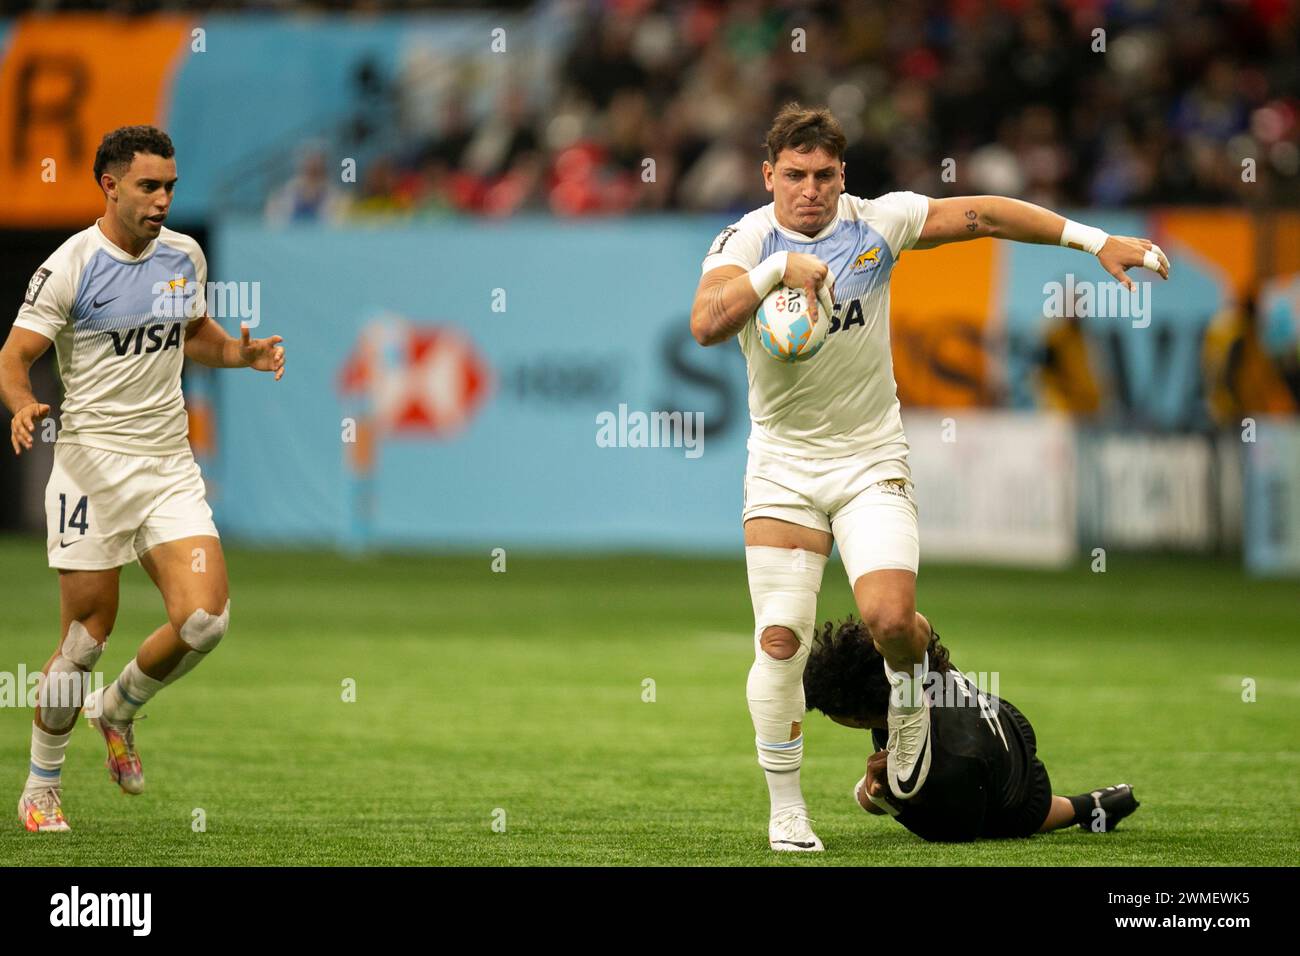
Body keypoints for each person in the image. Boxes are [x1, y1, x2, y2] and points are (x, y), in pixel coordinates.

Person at [689, 102, 1167, 851]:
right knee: (781, 639)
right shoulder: (747, 238)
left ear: (842, 175)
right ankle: (787, 810)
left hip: (871, 457)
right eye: (793, 176)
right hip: (782, 467)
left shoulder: (880, 222)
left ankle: (908, 708)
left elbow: (980, 215)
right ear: (768, 176)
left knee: (890, 620)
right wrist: (778, 271)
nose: (808, 190)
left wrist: (1094, 238)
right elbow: (707, 320)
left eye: (822, 175)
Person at [0, 125, 286, 832]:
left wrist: (239, 355)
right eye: (148, 187)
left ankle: (119, 707)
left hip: (166, 467)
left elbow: (193, 336)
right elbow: (15, 355)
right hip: (91, 471)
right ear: (110, 185)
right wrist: (21, 404)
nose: (162, 200)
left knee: (205, 619)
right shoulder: (71, 265)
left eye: (170, 187)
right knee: (85, 640)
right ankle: (40, 786)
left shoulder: (182, 256)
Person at [804, 617, 1139, 842]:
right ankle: (1094, 805)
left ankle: (1084, 806)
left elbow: (957, 833)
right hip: (1000, 724)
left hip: (1012, 790)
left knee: (1016, 819)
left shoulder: (948, 761)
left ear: (859, 716)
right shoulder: (919, 674)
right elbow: (915, 630)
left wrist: (890, 798)